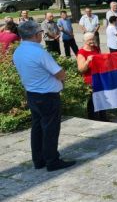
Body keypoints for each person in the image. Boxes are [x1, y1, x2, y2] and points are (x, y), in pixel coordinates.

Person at [13, 21, 75, 172]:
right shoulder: (39, 52)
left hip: (32, 94)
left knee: (37, 128)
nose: (42, 35)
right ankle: (52, 160)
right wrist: (62, 77)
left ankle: (39, 160)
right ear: (35, 35)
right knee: (50, 129)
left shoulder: (18, 51)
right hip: (47, 95)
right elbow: (59, 73)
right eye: (40, 33)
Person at [77, 32, 108, 121]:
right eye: (90, 40)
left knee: (102, 98)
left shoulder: (96, 48)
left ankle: (103, 118)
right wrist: (87, 61)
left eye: (93, 39)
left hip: (99, 78)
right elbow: (81, 69)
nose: (92, 41)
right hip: (90, 80)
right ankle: (93, 119)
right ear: (85, 41)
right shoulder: (81, 52)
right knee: (92, 101)